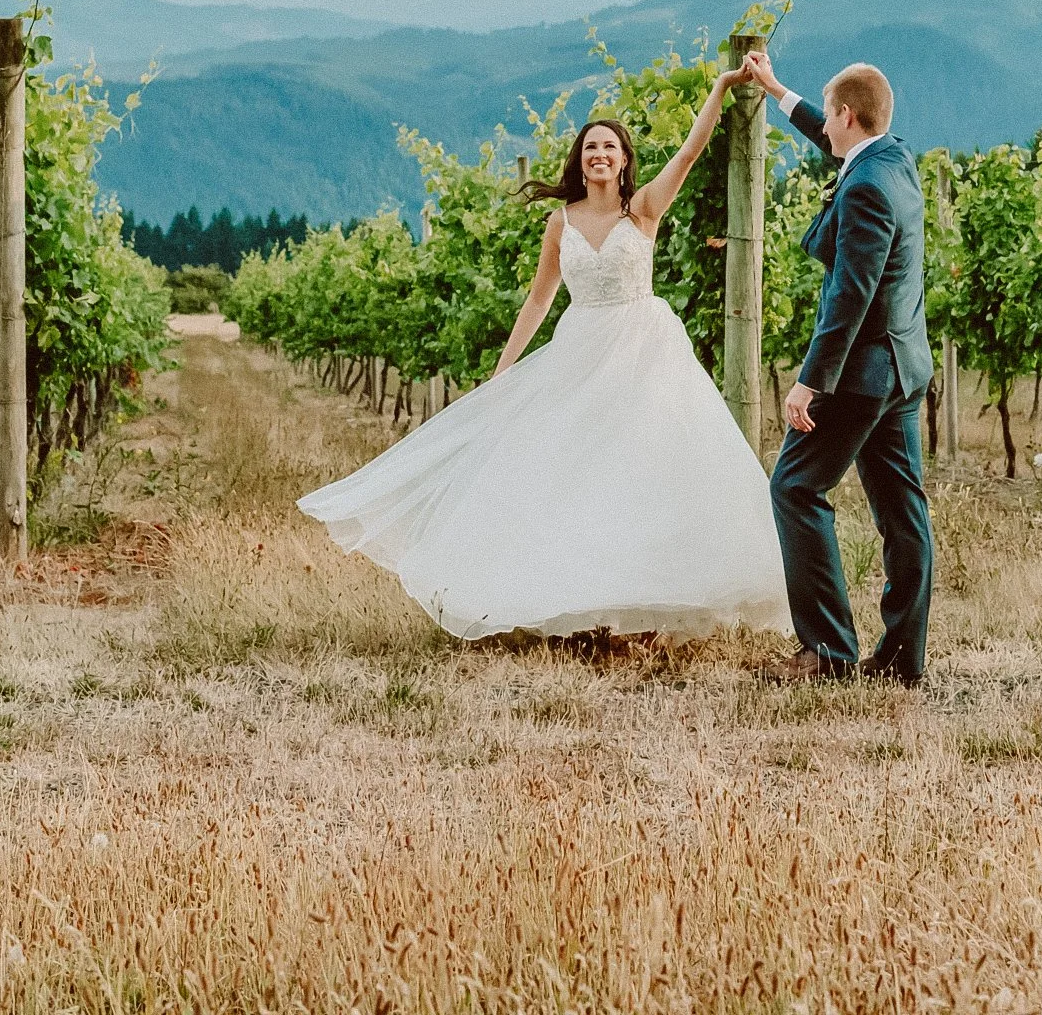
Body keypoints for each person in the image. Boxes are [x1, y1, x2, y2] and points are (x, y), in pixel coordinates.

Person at [298, 71, 792, 641]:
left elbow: (690, 150)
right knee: (578, 474)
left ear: (625, 160)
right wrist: (503, 371)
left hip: (644, 350)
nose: (599, 154)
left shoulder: (644, 210)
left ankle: (644, 609)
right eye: (590, 148)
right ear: (580, 163)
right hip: (582, 351)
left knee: (647, 471)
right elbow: (540, 297)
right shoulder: (562, 222)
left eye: (609, 146)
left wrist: (722, 87)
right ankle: (585, 606)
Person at [744, 50, 934, 685]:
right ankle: (903, 657)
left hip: (858, 376)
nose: (823, 126)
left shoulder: (867, 189)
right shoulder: (892, 160)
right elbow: (835, 149)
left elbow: (851, 296)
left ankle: (827, 651)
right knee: (902, 512)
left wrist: (808, 382)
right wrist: (777, 91)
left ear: (848, 116)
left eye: (828, 116)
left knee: (795, 488)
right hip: (902, 371)